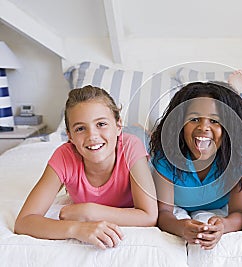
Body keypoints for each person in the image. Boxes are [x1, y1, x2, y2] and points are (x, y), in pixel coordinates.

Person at [14, 85, 158, 249]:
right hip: (112, 139)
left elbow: (149, 216)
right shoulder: (64, 156)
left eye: (101, 123)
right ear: (70, 136)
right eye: (80, 128)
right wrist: (76, 228)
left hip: (132, 140)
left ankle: (139, 129)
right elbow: (24, 222)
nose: (92, 136)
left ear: (118, 126)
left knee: (145, 141)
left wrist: (88, 212)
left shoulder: (131, 146)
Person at [150, 81, 242, 250]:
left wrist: (224, 225)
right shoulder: (166, 155)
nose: (203, 127)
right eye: (194, 119)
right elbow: (164, 213)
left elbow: (240, 212)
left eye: (215, 121)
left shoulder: (241, 158)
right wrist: (181, 227)